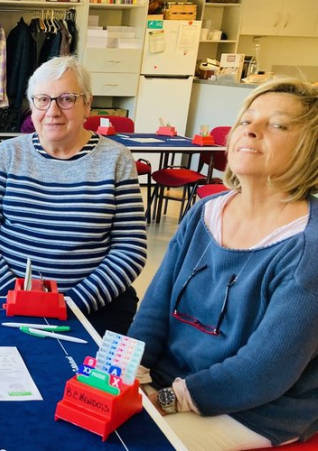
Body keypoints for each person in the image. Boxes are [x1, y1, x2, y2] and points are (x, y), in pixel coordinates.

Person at [128, 79, 318, 449]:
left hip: (254, 410)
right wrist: (123, 371)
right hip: (173, 383)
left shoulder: (309, 248)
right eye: (246, 119)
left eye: (277, 124)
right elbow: (153, 310)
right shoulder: (204, 211)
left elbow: (262, 373)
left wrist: (165, 400)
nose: (251, 129)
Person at [0, 56, 147, 336]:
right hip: (6, 295)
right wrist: (15, 293)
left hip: (91, 304)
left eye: (67, 99)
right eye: (43, 99)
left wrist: (75, 302)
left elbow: (130, 248)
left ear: (87, 104)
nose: (53, 111)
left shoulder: (116, 159)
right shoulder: (8, 154)